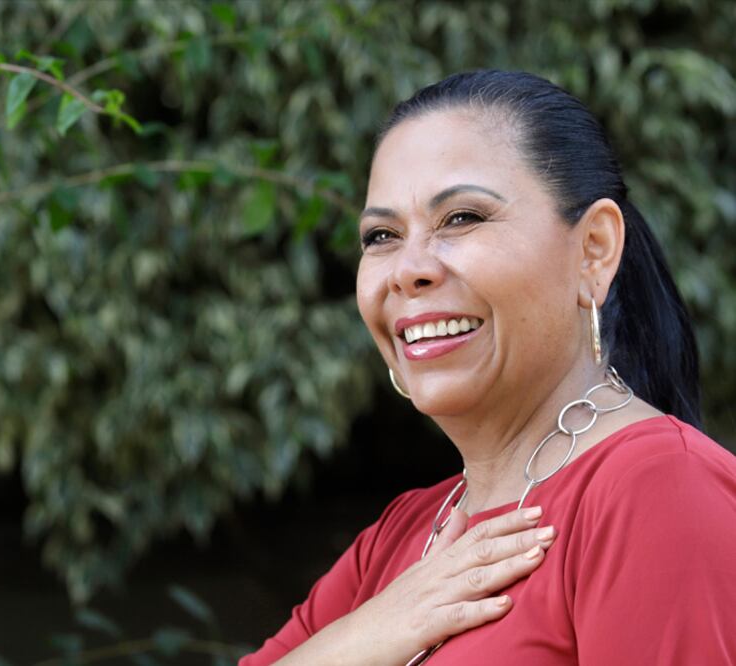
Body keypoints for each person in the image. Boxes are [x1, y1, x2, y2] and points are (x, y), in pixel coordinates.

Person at [240, 70, 736, 665]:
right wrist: (373, 630)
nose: (407, 269)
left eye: (462, 218)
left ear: (594, 248)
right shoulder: (402, 537)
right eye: (381, 235)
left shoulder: (656, 490)